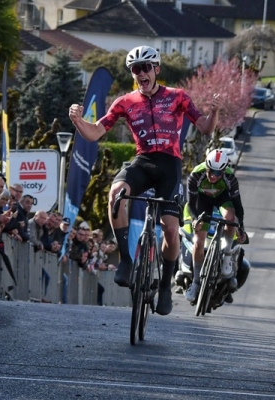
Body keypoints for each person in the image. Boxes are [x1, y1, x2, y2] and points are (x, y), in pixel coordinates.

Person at [68, 45, 220, 316]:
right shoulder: (125, 102)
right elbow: (94, 133)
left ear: (156, 70)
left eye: (145, 67)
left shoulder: (177, 97)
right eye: (135, 69)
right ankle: (126, 262)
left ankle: (164, 286)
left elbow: (205, 128)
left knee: (170, 229)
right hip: (143, 161)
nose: (140, 73)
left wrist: (215, 113)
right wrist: (78, 121)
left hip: (169, 165)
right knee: (116, 194)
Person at [184, 149, 247, 304]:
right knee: (198, 242)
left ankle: (226, 256)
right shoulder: (196, 175)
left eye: (218, 173)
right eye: (211, 171)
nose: (213, 176)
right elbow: (191, 204)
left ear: (224, 170)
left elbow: (238, 206)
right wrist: (194, 219)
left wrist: (241, 228)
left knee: (230, 217)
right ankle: (196, 282)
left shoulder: (230, 177)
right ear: (206, 167)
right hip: (202, 201)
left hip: (221, 199)